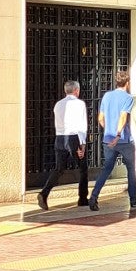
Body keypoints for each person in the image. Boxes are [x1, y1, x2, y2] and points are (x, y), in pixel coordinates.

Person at [89, 66, 136, 213]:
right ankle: (133, 199)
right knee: (131, 169)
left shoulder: (107, 96)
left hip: (108, 140)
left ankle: (94, 196)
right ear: (127, 83)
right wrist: (118, 134)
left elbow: (100, 118)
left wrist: (109, 131)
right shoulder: (128, 98)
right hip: (124, 140)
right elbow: (123, 117)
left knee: (106, 169)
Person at [37, 79, 88, 210]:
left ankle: (44, 193)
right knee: (83, 168)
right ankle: (82, 198)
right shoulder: (80, 104)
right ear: (76, 90)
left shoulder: (58, 104)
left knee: (59, 169)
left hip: (59, 138)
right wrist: (82, 144)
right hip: (73, 137)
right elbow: (82, 125)